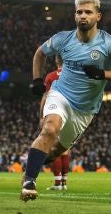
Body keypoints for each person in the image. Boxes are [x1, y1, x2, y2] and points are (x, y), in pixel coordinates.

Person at [20, 0, 111, 202]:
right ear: (75, 15)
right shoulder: (62, 38)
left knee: (55, 152)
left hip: (85, 110)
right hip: (60, 94)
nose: (83, 16)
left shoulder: (110, 43)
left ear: (98, 16)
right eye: (79, 12)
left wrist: (102, 74)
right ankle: (30, 181)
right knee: (49, 129)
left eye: (88, 12)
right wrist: (37, 80)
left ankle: (31, 167)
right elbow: (40, 53)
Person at [40, 55, 70, 191]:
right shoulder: (74, 75)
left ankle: (58, 183)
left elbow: (46, 96)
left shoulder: (51, 76)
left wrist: (41, 115)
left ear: (56, 61)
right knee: (64, 148)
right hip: (71, 113)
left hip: (56, 113)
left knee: (53, 147)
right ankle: (63, 183)